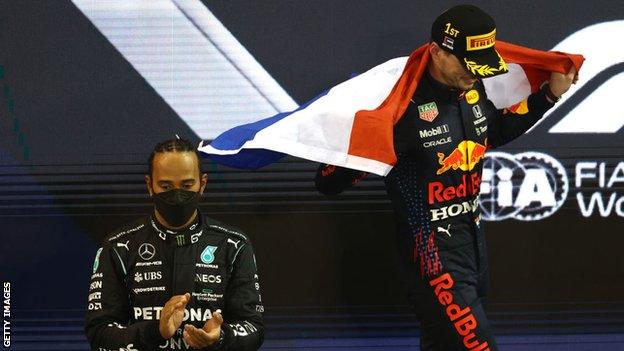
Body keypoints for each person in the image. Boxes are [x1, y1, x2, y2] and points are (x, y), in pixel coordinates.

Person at [315, 5, 576, 351]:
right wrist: (366, 150)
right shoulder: (397, 106)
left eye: (481, 63)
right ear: (437, 52)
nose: (475, 73)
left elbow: (492, 132)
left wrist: (548, 96)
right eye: (468, 63)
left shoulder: (471, 89)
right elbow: (328, 182)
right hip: (433, 257)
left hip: (473, 248)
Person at [85, 138, 264, 351]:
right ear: (149, 185)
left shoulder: (233, 245)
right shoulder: (118, 247)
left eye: (187, 185)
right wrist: (156, 331)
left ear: (203, 184)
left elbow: (254, 328)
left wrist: (221, 337)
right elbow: (99, 333)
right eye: (166, 186)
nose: (177, 195)